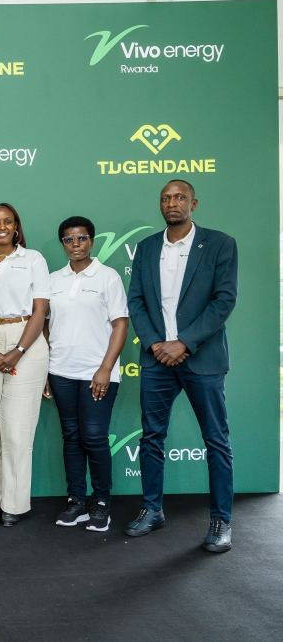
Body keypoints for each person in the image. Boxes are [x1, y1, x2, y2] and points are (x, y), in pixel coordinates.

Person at [125, 179, 238, 552]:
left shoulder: (219, 244)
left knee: (216, 440)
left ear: (193, 203)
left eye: (179, 197)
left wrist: (184, 342)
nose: (171, 203)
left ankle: (221, 520)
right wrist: (155, 344)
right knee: (151, 438)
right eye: (165, 198)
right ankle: (152, 509)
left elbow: (224, 300)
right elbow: (136, 301)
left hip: (202, 358)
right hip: (157, 358)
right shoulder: (146, 247)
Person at [44, 216, 128, 532]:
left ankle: (102, 502)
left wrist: (105, 368)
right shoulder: (53, 280)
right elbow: (45, 325)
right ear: (62, 243)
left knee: (93, 436)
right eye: (69, 239)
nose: (75, 244)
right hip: (61, 371)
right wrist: (46, 369)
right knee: (71, 437)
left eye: (81, 238)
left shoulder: (108, 277)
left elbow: (121, 324)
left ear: (91, 241)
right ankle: (76, 501)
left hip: (97, 372)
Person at [0, 202, 50, 526]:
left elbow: (41, 310)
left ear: (16, 226)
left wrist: (18, 350)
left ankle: (14, 504)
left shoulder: (33, 259)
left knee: (17, 431)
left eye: (8, 221)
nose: (1, 227)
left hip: (26, 339)